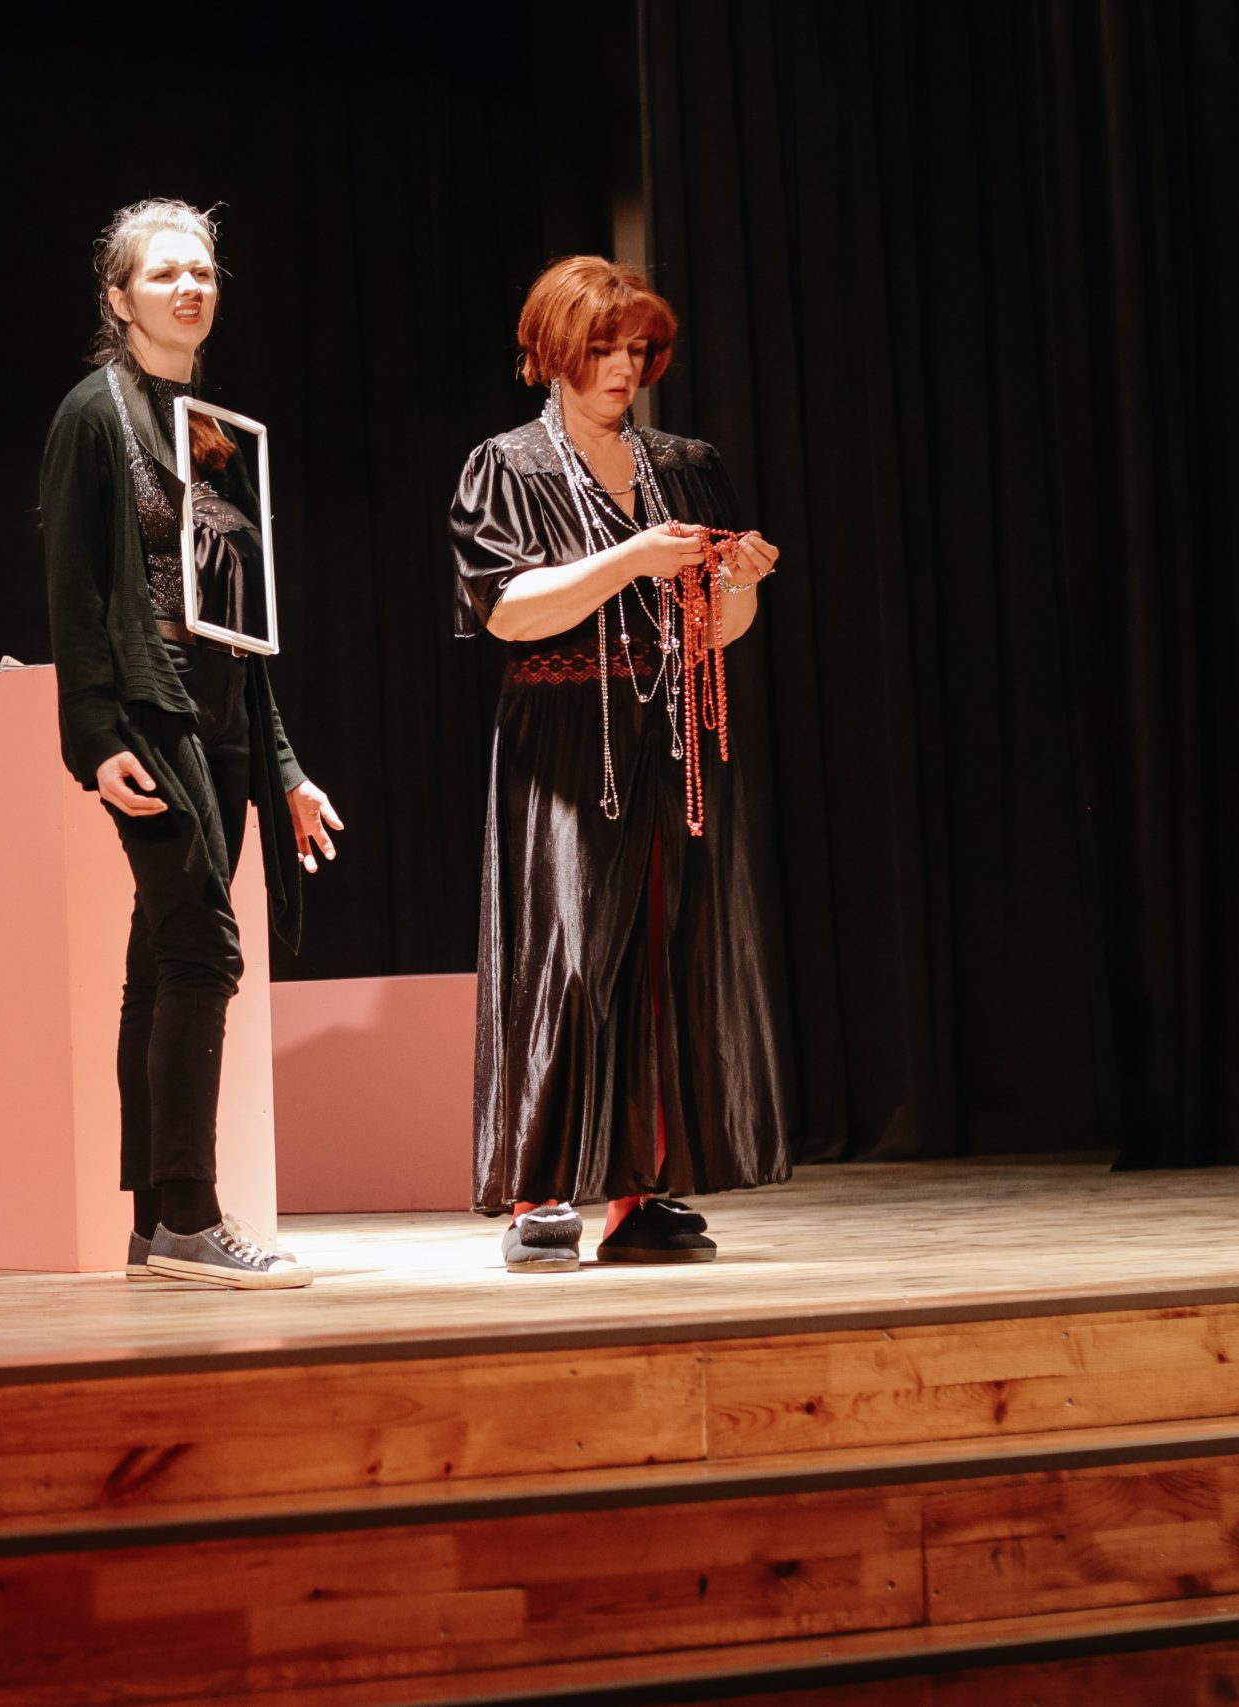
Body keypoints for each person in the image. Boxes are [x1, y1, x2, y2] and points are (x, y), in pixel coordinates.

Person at [449, 257, 791, 1273]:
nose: (622, 369)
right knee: (565, 957)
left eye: (637, 350)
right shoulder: (507, 467)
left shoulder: (685, 464)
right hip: (564, 736)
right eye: (602, 349)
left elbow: (717, 628)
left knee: (661, 958)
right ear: (553, 351)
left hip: (669, 731)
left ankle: (641, 1193)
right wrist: (632, 558)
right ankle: (541, 1193)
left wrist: (740, 583)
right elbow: (508, 612)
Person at [41, 198, 342, 1289]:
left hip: (223, 709)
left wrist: (285, 766)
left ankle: (151, 1223)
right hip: (150, 707)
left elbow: (240, 623)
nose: (189, 287)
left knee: (161, 959)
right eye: (164, 272)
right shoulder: (94, 416)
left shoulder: (213, 429)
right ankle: (191, 1217)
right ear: (119, 298)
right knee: (205, 950)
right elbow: (74, 589)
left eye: (203, 272)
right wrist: (95, 736)